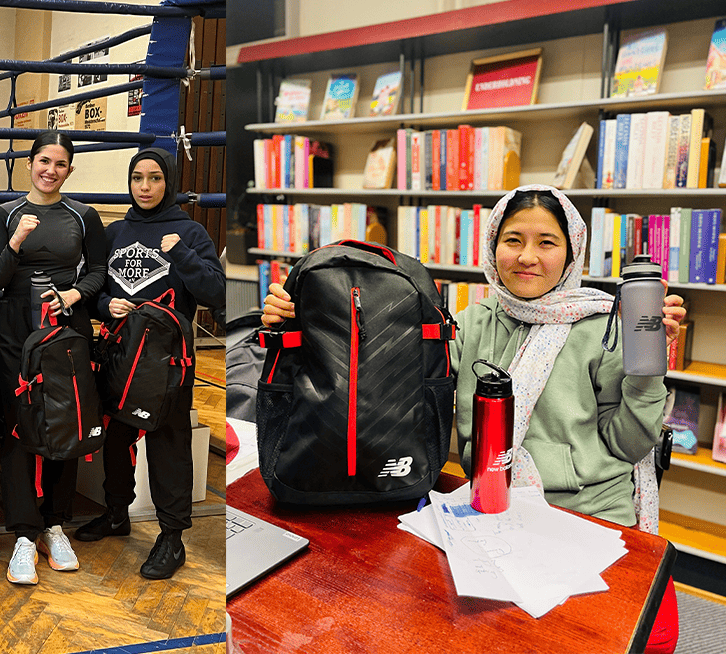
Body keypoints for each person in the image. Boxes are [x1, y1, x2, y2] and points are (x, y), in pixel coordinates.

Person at [262, 185, 685, 652]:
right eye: (512, 240)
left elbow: (629, 446)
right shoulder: (471, 323)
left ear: (571, 253)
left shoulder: (605, 327)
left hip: (587, 520)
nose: (527, 256)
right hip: (489, 512)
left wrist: (649, 368)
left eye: (547, 242)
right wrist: (303, 322)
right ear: (492, 246)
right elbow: (387, 384)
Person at [75, 147, 225, 580]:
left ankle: (172, 536)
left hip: (167, 359)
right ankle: (117, 513)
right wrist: (107, 306)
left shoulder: (190, 232)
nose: (145, 187)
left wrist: (182, 254)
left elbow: (215, 292)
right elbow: (95, 287)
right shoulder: (115, 230)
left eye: (155, 178)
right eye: (138, 178)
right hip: (119, 351)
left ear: (169, 182)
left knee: (169, 444)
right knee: (116, 436)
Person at [0, 130, 106, 585]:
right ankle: (22, 532)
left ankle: (55, 524)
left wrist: (73, 294)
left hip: (65, 325)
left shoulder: (83, 215)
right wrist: (15, 241)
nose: (50, 170)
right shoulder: (4, 213)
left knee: (65, 417)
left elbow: (97, 270)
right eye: (43, 161)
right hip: (16, 324)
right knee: (21, 421)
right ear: (30, 163)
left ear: (69, 169)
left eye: (59, 163)